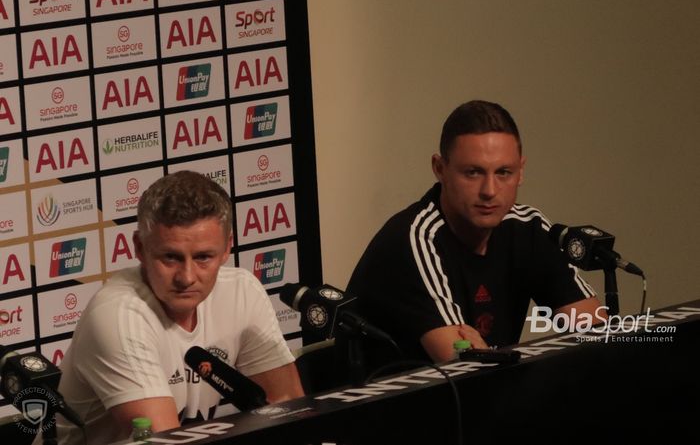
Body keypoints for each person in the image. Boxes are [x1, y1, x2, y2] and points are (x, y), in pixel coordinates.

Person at [38, 171, 304, 445]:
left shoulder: (241, 292)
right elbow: (167, 441)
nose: (186, 277)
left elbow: (290, 413)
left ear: (227, 248)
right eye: (170, 257)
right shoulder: (118, 315)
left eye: (203, 257)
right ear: (140, 248)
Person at [347, 100, 607, 364]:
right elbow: (466, 370)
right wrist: (492, 358)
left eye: (504, 172)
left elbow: (598, 335)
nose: (490, 190)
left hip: (475, 397)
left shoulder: (527, 228)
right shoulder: (414, 239)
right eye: (473, 173)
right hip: (393, 403)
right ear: (440, 169)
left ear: (521, 172)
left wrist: (495, 357)